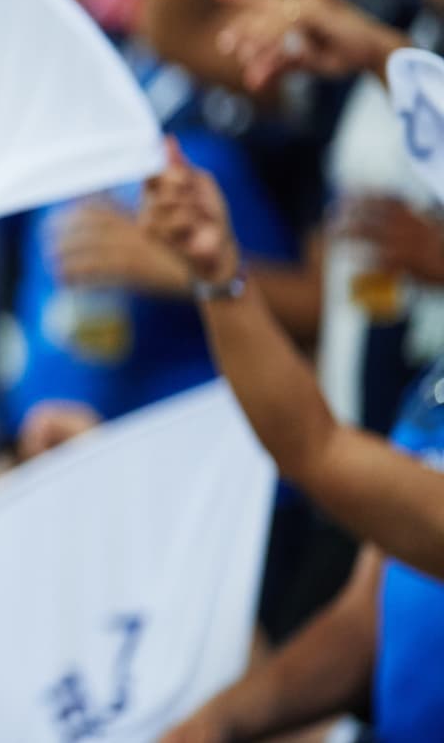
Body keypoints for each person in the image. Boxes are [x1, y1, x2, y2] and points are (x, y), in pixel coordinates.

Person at [146, 156, 444, 741]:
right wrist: (217, 721)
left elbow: (317, 448)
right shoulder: (435, 384)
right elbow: (366, 617)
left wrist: (221, 279)